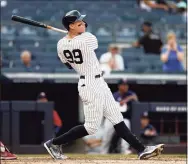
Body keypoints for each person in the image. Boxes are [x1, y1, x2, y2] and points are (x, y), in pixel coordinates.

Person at [43, 10, 164, 160]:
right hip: (89, 83)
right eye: (80, 23)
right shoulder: (87, 38)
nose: (84, 24)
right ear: (71, 26)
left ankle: (141, 149)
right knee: (91, 127)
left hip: (97, 81)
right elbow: (90, 43)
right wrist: (76, 40)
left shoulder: (61, 44)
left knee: (116, 118)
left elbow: (68, 65)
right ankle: (54, 143)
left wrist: (72, 40)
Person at [101, 79, 138, 155]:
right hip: (112, 118)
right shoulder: (115, 95)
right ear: (119, 86)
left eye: (126, 85)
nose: (125, 87)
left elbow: (135, 98)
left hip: (123, 118)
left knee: (126, 130)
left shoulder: (130, 94)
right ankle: (104, 152)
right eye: (123, 85)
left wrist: (126, 100)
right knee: (106, 136)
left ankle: (124, 150)